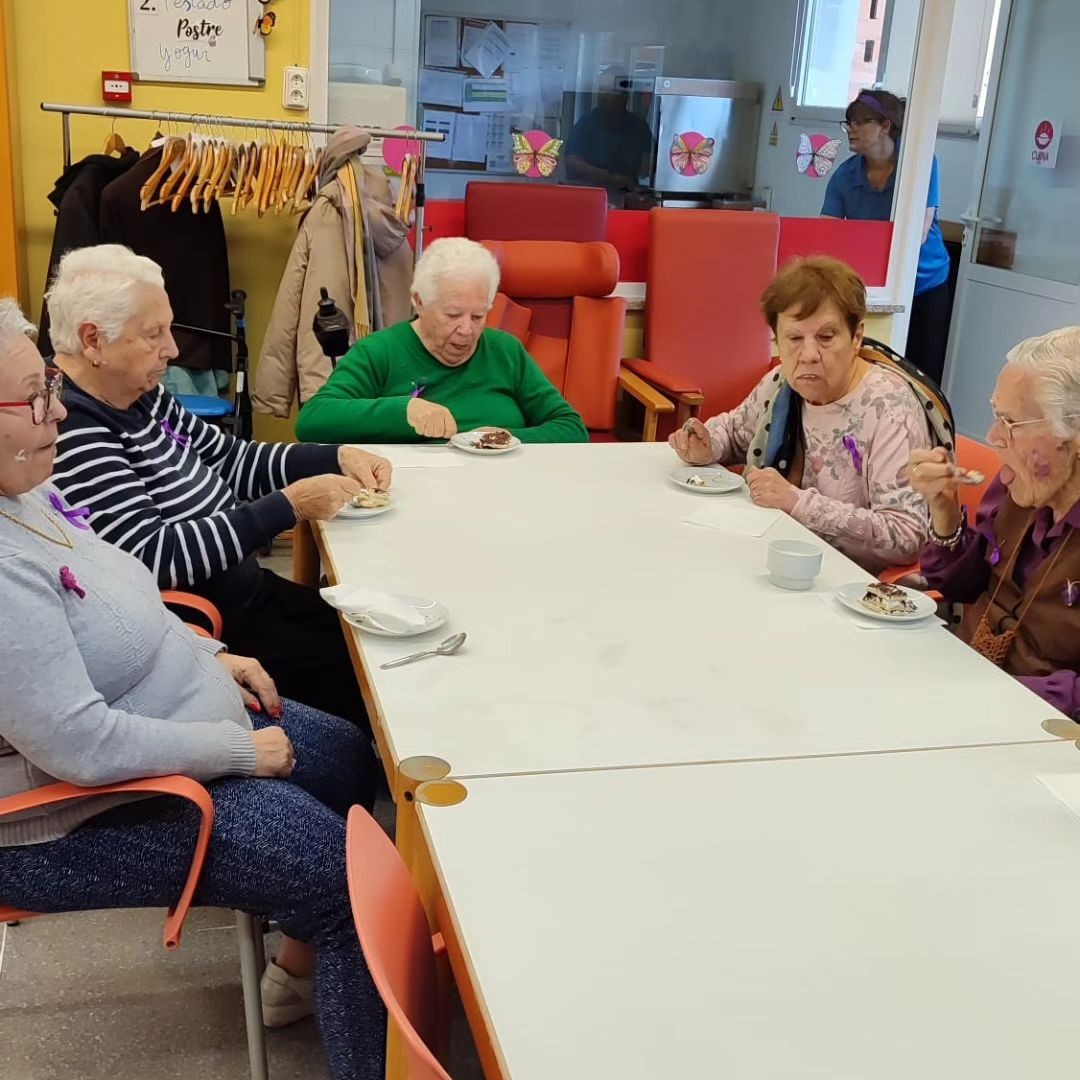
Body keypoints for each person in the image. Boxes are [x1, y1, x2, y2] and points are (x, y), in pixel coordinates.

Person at [0, 298, 383, 1079]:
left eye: (50, 387)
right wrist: (236, 752)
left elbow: (127, 591)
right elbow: (81, 746)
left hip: (169, 724)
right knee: (348, 881)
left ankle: (306, 966)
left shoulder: (27, 490)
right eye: (36, 398)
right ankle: (339, 951)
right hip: (78, 813)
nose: (56, 413)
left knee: (347, 752)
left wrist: (210, 652)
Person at [45, 244, 391, 732]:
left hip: (248, 596)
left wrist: (335, 455)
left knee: (376, 639)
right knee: (378, 682)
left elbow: (230, 459)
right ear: (92, 340)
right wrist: (289, 505)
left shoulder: (138, 392)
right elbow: (154, 557)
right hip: (209, 635)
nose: (172, 349)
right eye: (154, 334)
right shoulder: (73, 426)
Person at [670, 256, 952, 574]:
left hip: (851, 579)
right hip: (776, 554)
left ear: (856, 337)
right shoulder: (782, 383)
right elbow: (737, 431)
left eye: (826, 337)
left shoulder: (891, 411)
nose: (807, 355)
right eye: (794, 338)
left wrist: (797, 502)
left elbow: (905, 536)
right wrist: (709, 445)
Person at [910, 327, 1080, 716]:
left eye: (1010, 423)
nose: (993, 436)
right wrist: (944, 510)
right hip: (959, 681)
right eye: (995, 415)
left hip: (1037, 726)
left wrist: (993, 693)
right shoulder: (1017, 487)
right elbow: (963, 587)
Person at [295, 237, 589, 444]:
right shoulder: (379, 352)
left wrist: (503, 440)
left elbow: (572, 428)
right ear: (419, 302)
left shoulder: (506, 351)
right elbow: (313, 420)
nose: (466, 330)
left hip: (502, 491)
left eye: (478, 316)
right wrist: (402, 411)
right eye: (452, 315)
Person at [821, 90, 952, 385]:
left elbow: (917, 234)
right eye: (848, 122)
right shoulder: (845, 175)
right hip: (871, 284)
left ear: (885, 126)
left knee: (922, 373)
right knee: (874, 369)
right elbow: (828, 235)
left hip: (925, 282)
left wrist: (861, 247)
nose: (851, 129)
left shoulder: (919, 164)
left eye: (860, 122)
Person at [564, 66, 655, 208]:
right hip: (591, 198)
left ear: (625, 95)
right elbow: (572, 162)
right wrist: (611, 177)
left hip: (628, 200)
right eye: (601, 90)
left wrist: (640, 189)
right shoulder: (587, 123)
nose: (603, 96)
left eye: (610, 91)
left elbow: (650, 167)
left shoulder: (639, 127)